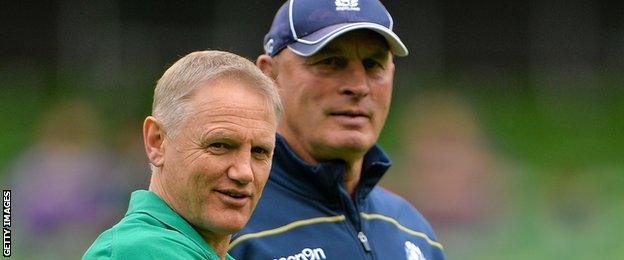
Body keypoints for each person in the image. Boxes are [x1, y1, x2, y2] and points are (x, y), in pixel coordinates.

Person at [228, 1, 446, 259]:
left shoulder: (412, 229)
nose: (358, 86)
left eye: (373, 64)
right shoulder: (229, 226)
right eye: (331, 61)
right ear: (270, 77)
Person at [83, 50, 283, 260]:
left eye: (259, 151)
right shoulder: (139, 251)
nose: (245, 172)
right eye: (220, 145)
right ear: (157, 142)